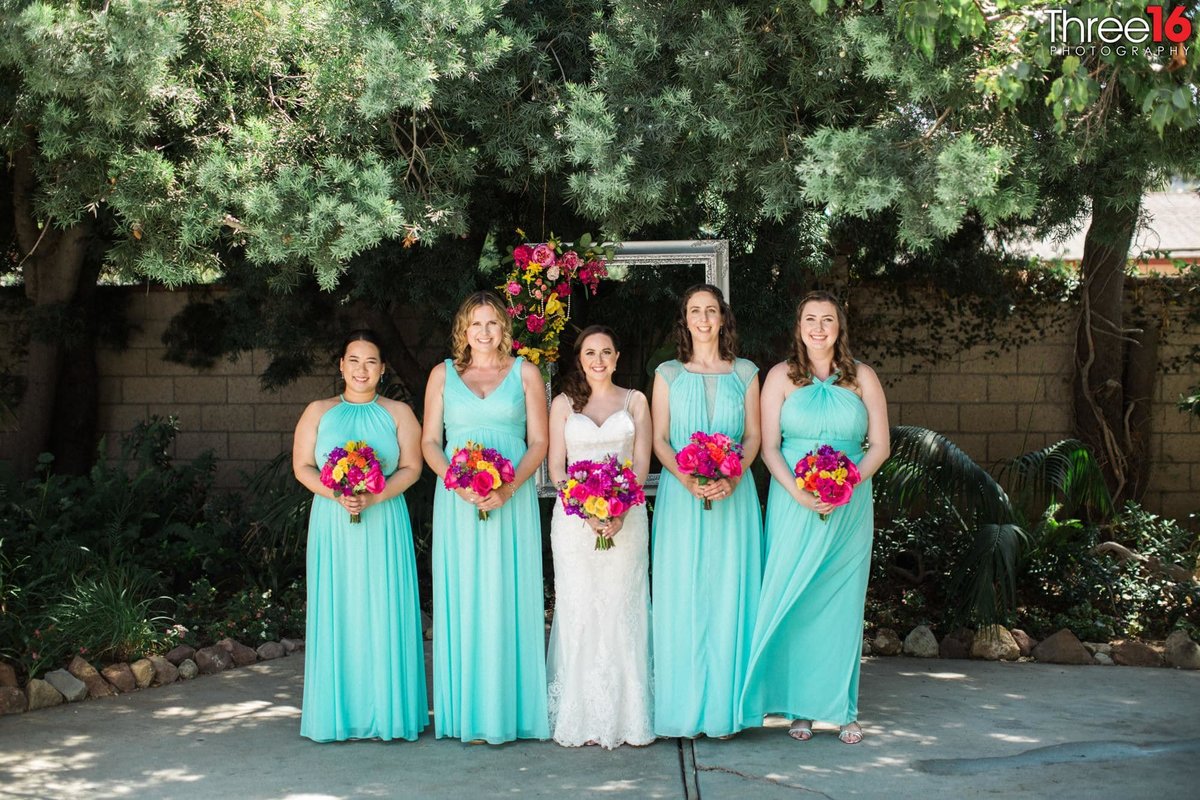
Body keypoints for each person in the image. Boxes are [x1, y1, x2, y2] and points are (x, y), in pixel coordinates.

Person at [739, 291, 891, 745]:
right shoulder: (780, 377)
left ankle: (843, 710)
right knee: (796, 602)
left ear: (839, 327)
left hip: (850, 505)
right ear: (799, 326)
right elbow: (767, 447)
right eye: (810, 319)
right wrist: (799, 493)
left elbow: (880, 446)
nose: (819, 327)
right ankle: (799, 709)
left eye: (827, 320)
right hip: (793, 503)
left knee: (842, 605)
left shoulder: (862, 377)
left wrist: (846, 484)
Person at [421, 291, 550, 744]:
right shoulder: (441, 375)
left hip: (510, 501)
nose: (484, 332)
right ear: (463, 329)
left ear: (504, 328)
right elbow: (430, 443)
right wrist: (456, 481)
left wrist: (508, 487)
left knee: (506, 594)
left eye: (492, 323)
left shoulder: (526, 373)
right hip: (457, 502)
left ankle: (510, 714)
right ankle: (467, 716)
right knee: (465, 596)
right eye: (475, 324)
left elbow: (539, 443)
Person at [293, 329, 427, 742]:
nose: (361, 369)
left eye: (371, 362)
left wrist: (374, 497)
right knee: (340, 608)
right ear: (341, 366)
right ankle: (338, 714)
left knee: (384, 608)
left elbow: (412, 468)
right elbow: (303, 467)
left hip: (383, 519)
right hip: (333, 523)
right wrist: (338, 493)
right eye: (354, 360)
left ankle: (388, 713)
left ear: (383, 369)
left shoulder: (399, 412)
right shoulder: (318, 411)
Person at [650, 284, 763, 739]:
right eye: (694, 310)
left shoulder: (747, 373)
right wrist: (688, 478)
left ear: (722, 319)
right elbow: (659, 439)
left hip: (734, 499)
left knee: (730, 594)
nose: (703, 318)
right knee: (684, 595)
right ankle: (683, 708)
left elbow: (753, 437)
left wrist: (732, 479)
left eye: (711, 310)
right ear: (685, 319)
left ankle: (726, 711)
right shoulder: (667, 374)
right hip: (682, 498)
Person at [545, 325, 655, 749]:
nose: (598, 360)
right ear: (580, 357)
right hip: (574, 523)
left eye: (606, 352)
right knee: (580, 607)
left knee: (622, 607)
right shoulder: (562, 404)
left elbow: (640, 464)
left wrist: (621, 508)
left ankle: (628, 717)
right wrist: (586, 511)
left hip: (626, 519)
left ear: (617, 357)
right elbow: (557, 467)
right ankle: (581, 716)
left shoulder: (635, 401)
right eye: (590, 352)